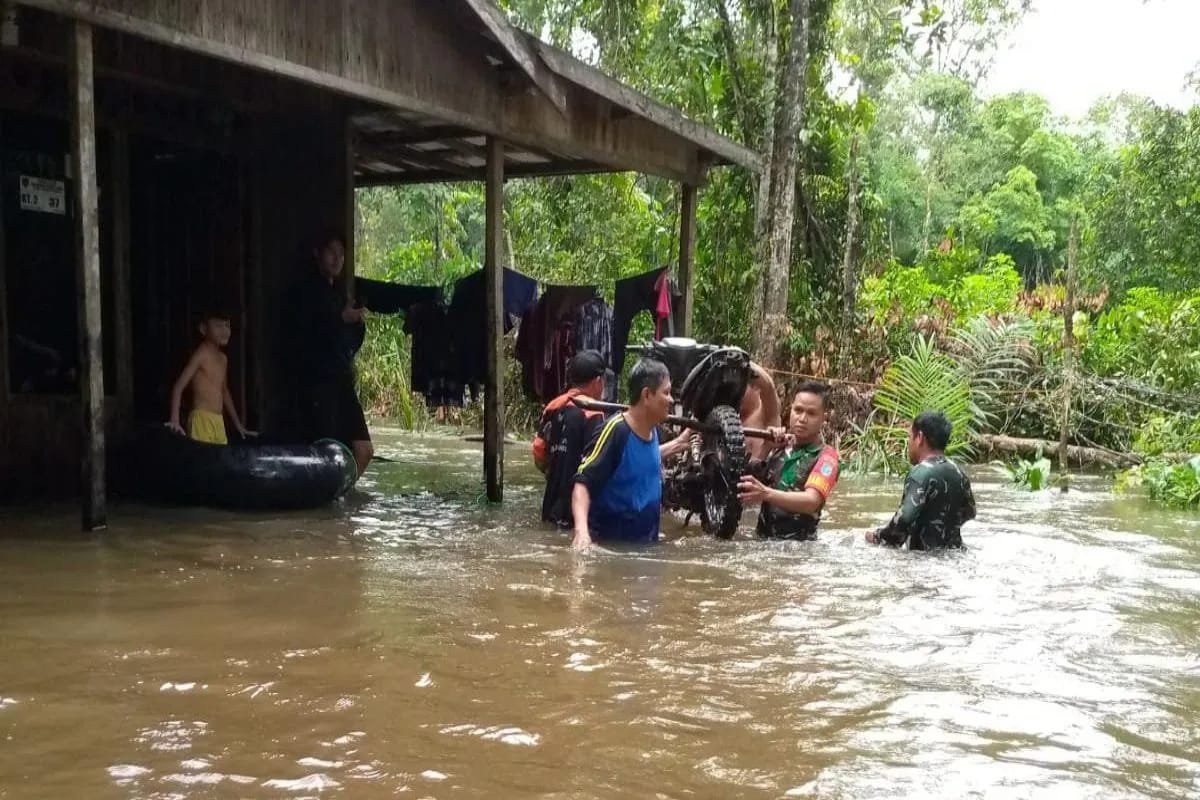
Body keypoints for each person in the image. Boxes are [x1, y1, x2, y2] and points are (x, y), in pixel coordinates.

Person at [571, 359, 692, 549]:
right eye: (666, 392)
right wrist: (581, 533)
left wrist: (678, 444)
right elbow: (583, 483)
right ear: (646, 395)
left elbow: (637, 460)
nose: (671, 400)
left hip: (645, 546)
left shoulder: (653, 431)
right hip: (611, 549)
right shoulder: (616, 431)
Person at [293, 230, 373, 480]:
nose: (337, 259)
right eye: (332, 253)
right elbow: (305, 333)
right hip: (318, 383)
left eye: (341, 254)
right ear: (318, 254)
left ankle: (341, 502)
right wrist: (340, 318)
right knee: (325, 451)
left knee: (364, 450)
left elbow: (347, 341)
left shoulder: (339, 294)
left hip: (342, 381)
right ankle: (328, 510)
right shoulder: (305, 292)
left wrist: (356, 323)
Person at [736, 380, 839, 540]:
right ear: (790, 410)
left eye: (811, 413)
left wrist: (766, 494)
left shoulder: (827, 457)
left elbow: (812, 501)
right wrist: (766, 447)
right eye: (798, 410)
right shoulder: (780, 447)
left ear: (823, 419)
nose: (802, 419)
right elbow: (744, 488)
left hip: (799, 551)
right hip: (762, 543)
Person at [866, 411, 976, 550]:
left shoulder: (920, 473)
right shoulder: (959, 473)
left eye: (909, 437)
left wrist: (878, 537)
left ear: (920, 437)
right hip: (955, 554)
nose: (909, 443)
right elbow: (970, 512)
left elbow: (904, 519)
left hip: (923, 560)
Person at [533, 350, 608, 528]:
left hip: (550, 503)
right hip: (578, 508)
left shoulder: (552, 407)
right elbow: (597, 465)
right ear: (598, 381)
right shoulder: (594, 413)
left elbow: (538, 452)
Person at [166, 310, 255, 444]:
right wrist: (175, 420)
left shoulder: (223, 359)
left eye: (227, 326)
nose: (225, 330)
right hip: (201, 419)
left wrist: (238, 425)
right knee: (203, 461)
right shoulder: (201, 355)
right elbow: (178, 387)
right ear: (203, 329)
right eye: (218, 326)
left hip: (218, 422)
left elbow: (224, 391)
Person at [740, 361, 781, 460]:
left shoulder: (766, 413)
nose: (735, 394)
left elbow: (768, 386)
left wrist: (740, 359)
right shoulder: (722, 415)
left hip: (756, 472)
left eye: (741, 388)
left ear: (756, 388)